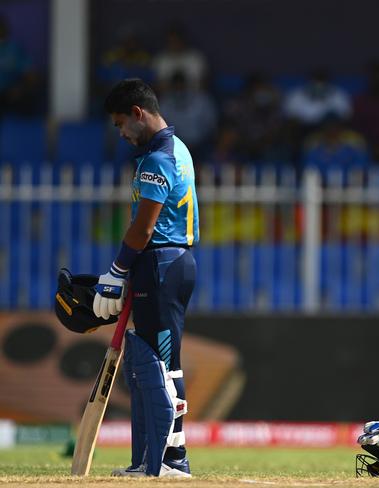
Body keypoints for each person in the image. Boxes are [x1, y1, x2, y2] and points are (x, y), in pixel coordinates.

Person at [96, 78, 199, 478]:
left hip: (161, 264)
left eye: (121, 123)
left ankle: (173, 459)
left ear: (138, 114)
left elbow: (143, 228)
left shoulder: (159, 159)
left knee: (163, 365)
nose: (121, 133)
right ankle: (153, 458)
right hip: (164, 263)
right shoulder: (173, 150)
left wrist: (118, 270)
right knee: (157, 362)